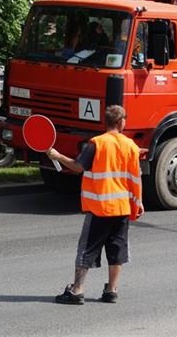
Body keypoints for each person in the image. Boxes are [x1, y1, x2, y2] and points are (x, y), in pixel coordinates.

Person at [46, 105, 144, 305]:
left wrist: (57, 156)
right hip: (122, 208)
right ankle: (111, 290)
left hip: (100, 208)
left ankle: (77, 290)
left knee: (87, 249)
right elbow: (135, 177)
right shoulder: (130, 146)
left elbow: (78, 166)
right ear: (120, 122)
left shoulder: (96, 144)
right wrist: (138, 202)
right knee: (117, 250)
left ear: (106, 122)